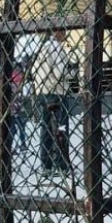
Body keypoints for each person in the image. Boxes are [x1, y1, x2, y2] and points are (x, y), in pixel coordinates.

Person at [32, 29, 72, 175]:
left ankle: (46, 165)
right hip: (57, 92)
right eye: (64, 31)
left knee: (46, 129)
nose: (66, 35)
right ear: (57, 32)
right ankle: (61, 165)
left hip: (42, 91)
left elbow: (33, 72)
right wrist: (71, 72)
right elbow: (60, 72)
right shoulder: (56, 47)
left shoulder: (41, 48)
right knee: (61, 129)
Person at [6, 62, 28, 154]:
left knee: (17, 129)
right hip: (15, 110)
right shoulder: (15, 81)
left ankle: (20, 145)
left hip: (16, 109)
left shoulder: (16, 81)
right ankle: (18, 145)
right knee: (16, 129)